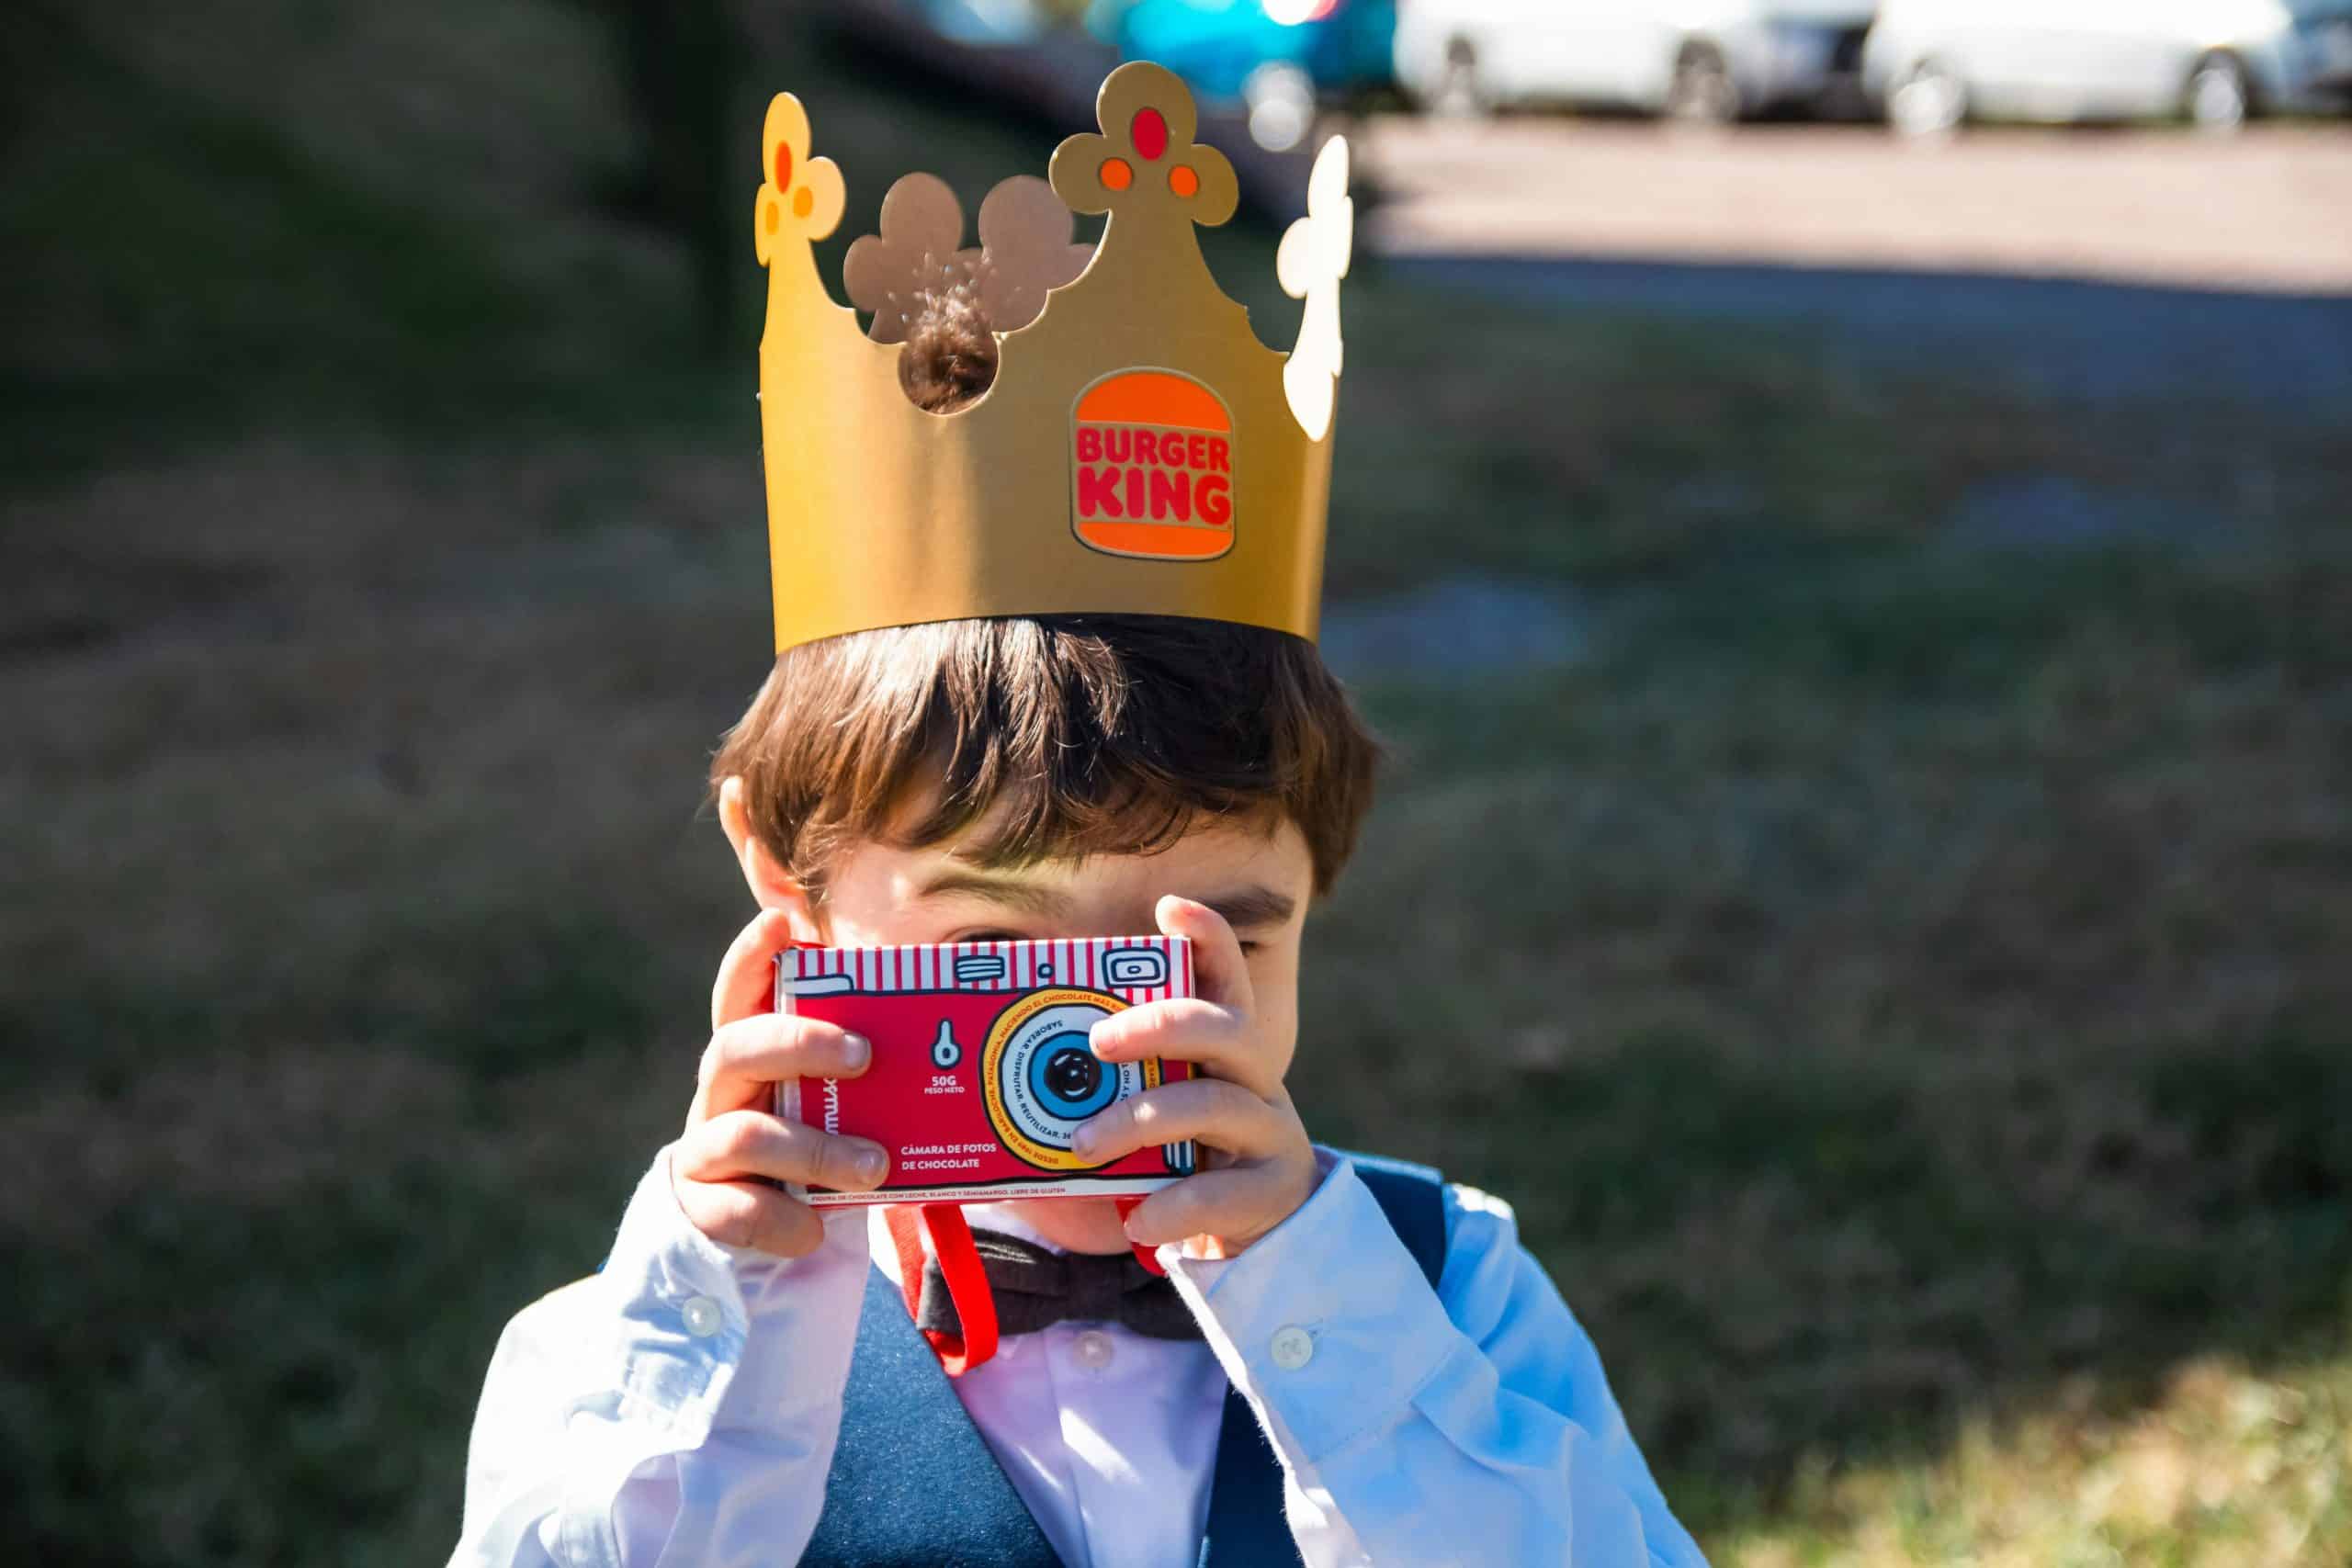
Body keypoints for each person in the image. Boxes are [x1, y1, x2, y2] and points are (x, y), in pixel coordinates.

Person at [450, 61, 1706, 1568]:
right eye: (1002, 946)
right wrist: (741, 1313)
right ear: (790, 879)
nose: (1106, 1051)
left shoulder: (1450, 1294)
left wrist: (1328, 1313)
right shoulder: (628, 1353)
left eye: (1203, 960)